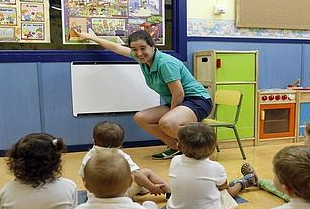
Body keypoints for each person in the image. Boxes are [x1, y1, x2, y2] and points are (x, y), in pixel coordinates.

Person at [74, 29, 212, 160]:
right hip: (179, 102)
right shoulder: (144, 60)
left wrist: (170, 115)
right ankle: (175, 147)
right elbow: (115, 47)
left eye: (142, 48)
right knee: (141, 118)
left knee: (167, 122)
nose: (139, 53)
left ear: (152, 46)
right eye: (134, 49)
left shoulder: (165, 63)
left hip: (198, 101)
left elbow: (179, 94)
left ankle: (200, 150)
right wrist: (91, 37)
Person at [166, 123, 258, 209]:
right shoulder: (216, 167)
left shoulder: (175, 160)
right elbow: (223, 187)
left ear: (178, 146)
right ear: (213, 149)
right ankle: (244, 182)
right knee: (226, 192)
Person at [79, 121, 170, 199]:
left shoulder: (88, 156)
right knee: (146, 172)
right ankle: (170, 191)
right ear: (120, 144)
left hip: (95, 196)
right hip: (120, 195)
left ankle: (142, 188)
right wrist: (152, 187)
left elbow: (84, 178)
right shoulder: (119, 155)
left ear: (93, 140)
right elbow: (137, 175)